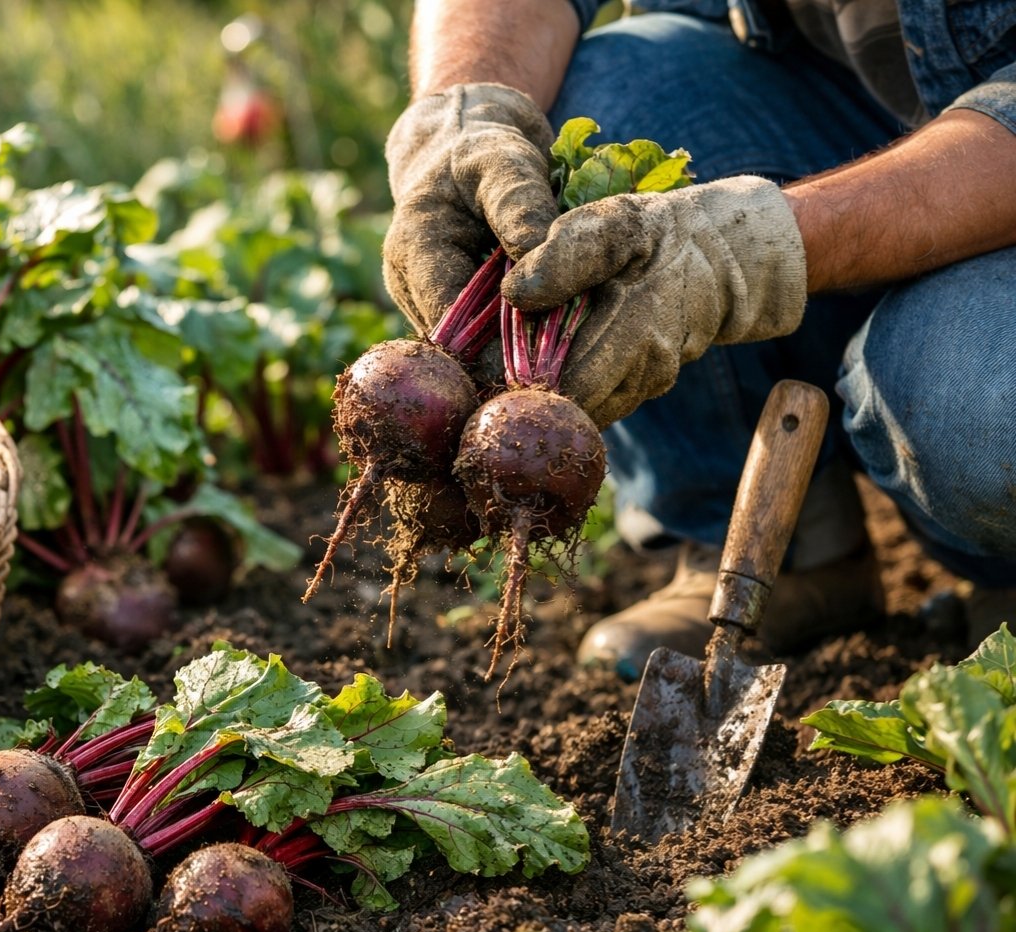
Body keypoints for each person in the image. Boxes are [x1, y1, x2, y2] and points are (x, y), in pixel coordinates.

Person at [382, 0, 1016, 678]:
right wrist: (458, 124)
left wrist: (749, 244)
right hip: (839, 104)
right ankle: (776, 546)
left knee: (982, 414)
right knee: (608, 102)